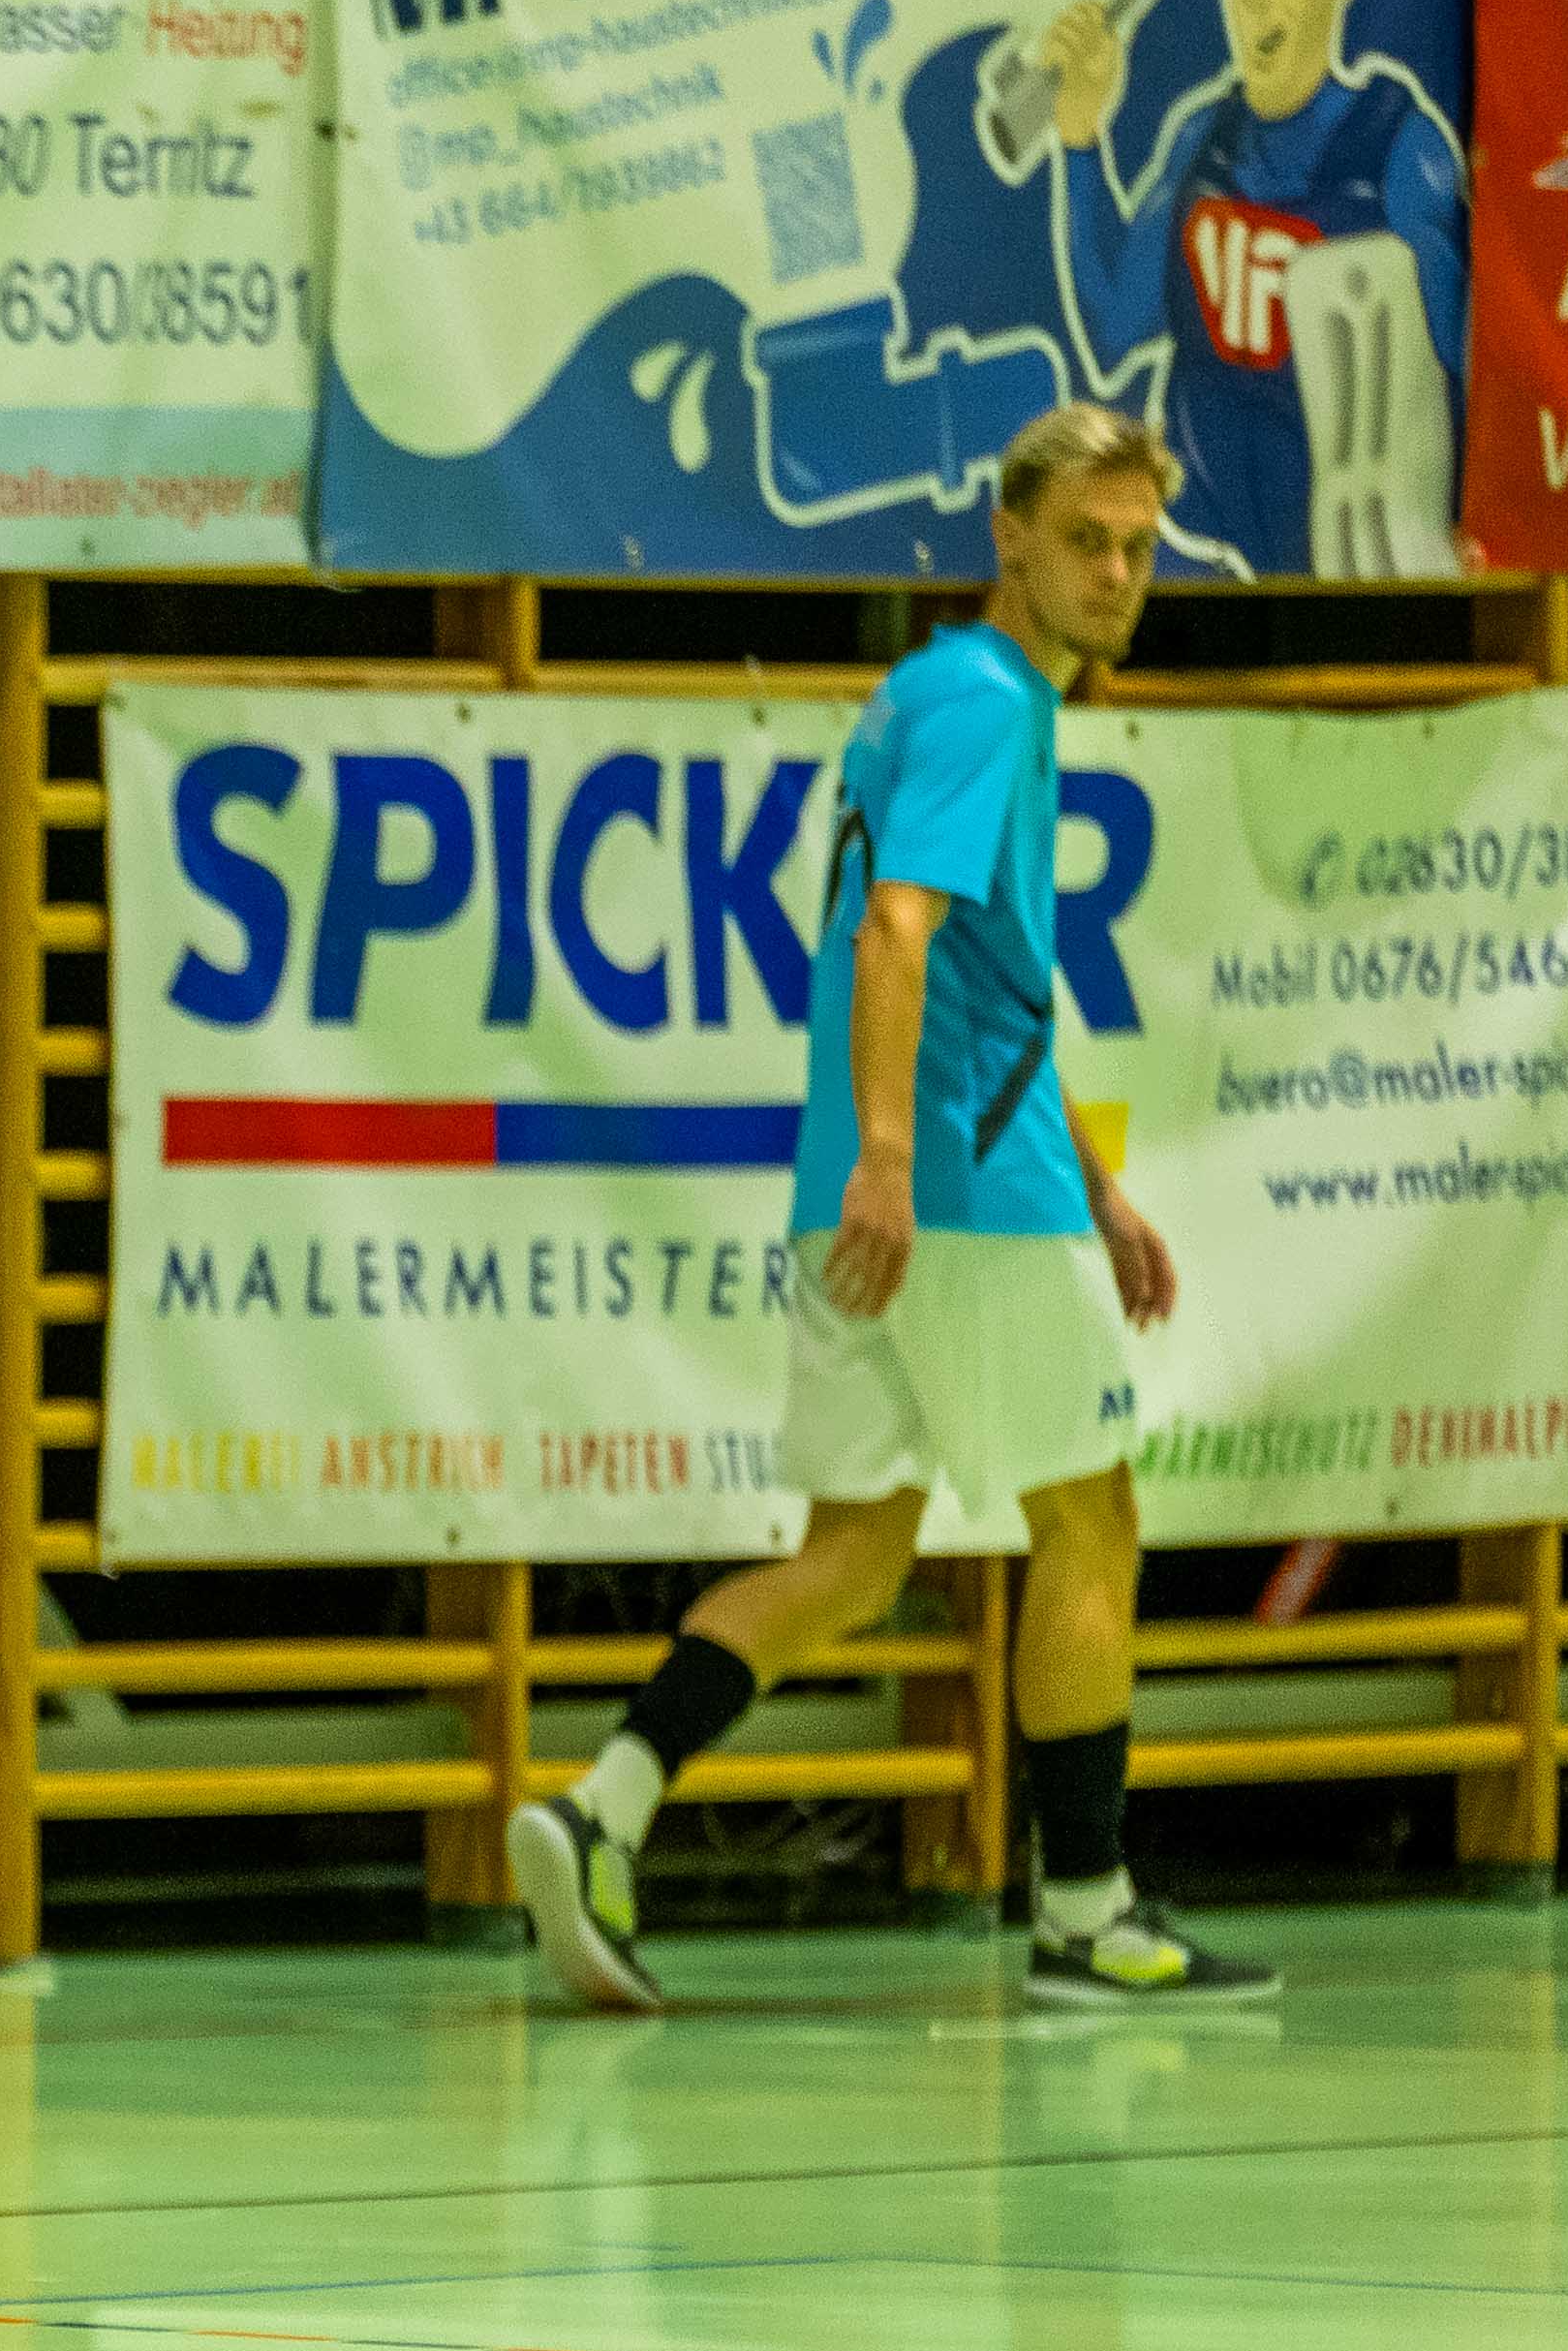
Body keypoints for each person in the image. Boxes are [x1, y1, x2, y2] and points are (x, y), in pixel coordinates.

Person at [506, 400, 1275, 2020]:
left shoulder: (926, 693)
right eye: (1085, 543)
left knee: (855, 1557)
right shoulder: (991, 704)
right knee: (1090, 1523)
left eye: (1138, 550)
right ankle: (1087, 1914)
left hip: (892, 1187)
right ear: (1009, 539)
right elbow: (897, 937)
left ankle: (600, 1809)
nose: (1115, 574)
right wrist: (892, 1155)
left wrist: (1098, 1186)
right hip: (957, 1197)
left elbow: (995, 979)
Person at [1031, 0, 1465, 577]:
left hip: (1343, 585)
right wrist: (1079, 141)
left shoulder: (1400, 155)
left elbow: (1480, 386)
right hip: (1193, 568)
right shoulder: (1202, 139)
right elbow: (1112, 328)